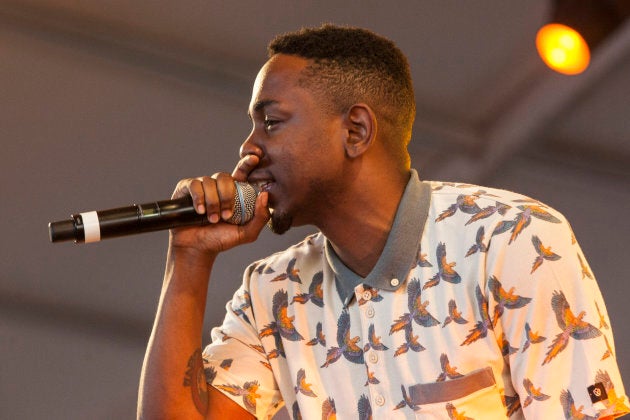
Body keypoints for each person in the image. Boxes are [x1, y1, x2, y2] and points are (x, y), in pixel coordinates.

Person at [137, 24, 629, 419]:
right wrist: (189, 257)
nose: (249, 147)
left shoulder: (512, 239)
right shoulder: (273, 293)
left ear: (356, 130)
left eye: (271, 120)